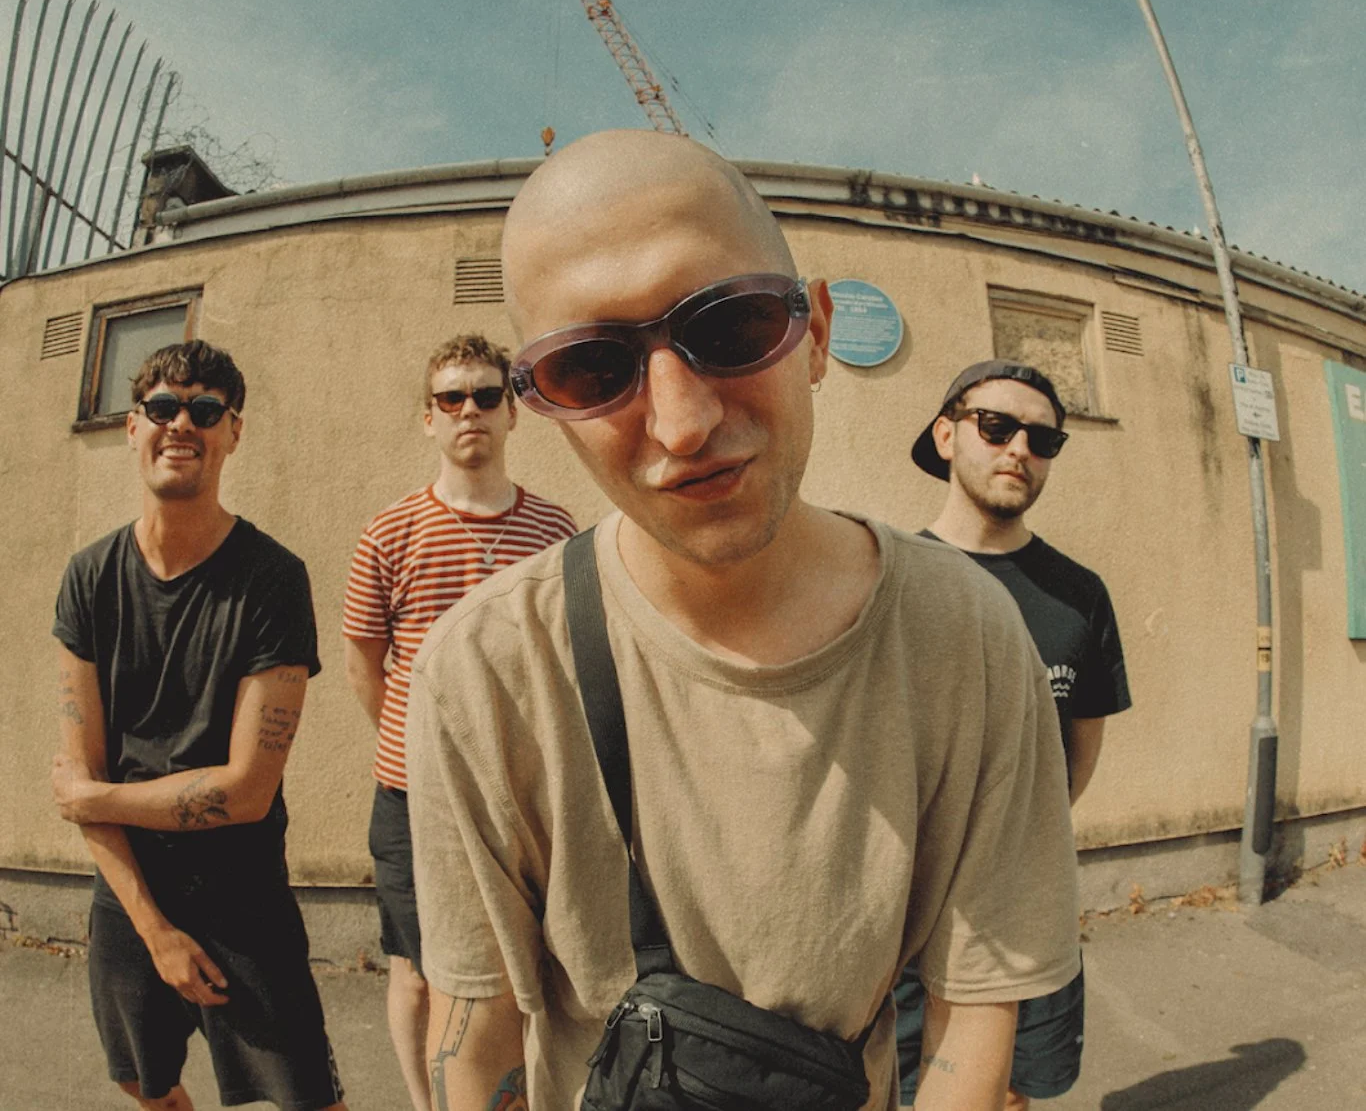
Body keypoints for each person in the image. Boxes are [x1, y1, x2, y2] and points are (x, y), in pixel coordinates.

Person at [406, 130, 1081, 1111]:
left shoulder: (965, 636)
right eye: (594, 368)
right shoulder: (486, 667)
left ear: (812, 332)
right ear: (542, 404)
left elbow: (972, 1011)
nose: (680, 424)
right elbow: (476, 1045)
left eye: (728, 326)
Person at [50, 340, 345, 1111]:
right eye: (162, 407)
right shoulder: (89, 578)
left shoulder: (273, 579)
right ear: (131, 425)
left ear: (232, 433)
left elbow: (245, 791)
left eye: (205, 410)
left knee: (306, 1097)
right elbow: (79, 767)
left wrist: (93, 800)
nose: (182, 423)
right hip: (129, 889)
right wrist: (152, 930)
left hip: (241, 890)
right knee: (140, 1081)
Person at [341, 333, 575, 1111]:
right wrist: (417, 748)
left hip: (522, 799)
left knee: (523, 968)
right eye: (451, 398)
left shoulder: (556, 533)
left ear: (512, 413)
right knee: (416, 968)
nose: (467, 410)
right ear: (428, 419)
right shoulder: (389, 533)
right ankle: (425, 1102)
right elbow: (365, 661)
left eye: (484, 395)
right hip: (411, 797)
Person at [897, 359, 1132, 1109]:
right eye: (995, 426)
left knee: (1015, 1094)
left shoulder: (1078, 593)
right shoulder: (891, 580)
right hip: (908, 921)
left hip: (1030, 908)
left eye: (1043, 438)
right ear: (946, 435)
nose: (1018, 450)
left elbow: (1080, 746)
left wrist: (1021, 835)